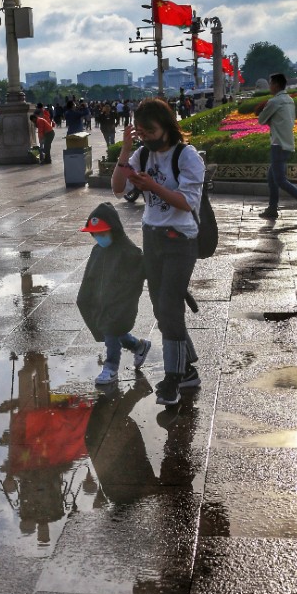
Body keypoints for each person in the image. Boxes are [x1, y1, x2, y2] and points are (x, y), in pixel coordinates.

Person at [111, 98, 205, 407]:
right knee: (160, 308)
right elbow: (118, 188)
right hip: (152, 237)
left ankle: (173, 378)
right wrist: (125, 151)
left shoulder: (187, 156)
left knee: (169, 307)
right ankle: (187, 368)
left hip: (180, 240)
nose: (146, 137)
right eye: (140, 132)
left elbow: (187, 202)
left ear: (167, 126)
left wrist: (152, 186)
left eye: (150, 131)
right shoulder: (141, 154)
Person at [77, 202, 151, 386]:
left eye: (103, 234)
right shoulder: (97, 250)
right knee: (112, 330)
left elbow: (141, 270)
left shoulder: (127, 250)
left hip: (119, 302)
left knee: (111, 328)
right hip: (101, 300)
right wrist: (86, 297)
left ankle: (110, 368)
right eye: (95, 234)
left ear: (114, 231)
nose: (99, 238)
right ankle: (138, 346)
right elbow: (90, 276)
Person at [256, 73, 297, 220]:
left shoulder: (274, 101)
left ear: (276, 85)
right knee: (272, 178)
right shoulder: (290, 100)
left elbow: (261, 119)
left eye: (271, 83)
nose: (270, 86)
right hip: (287, 143)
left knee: (280, 180)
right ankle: (272, 209)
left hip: (278, 144)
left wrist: (270, 120)